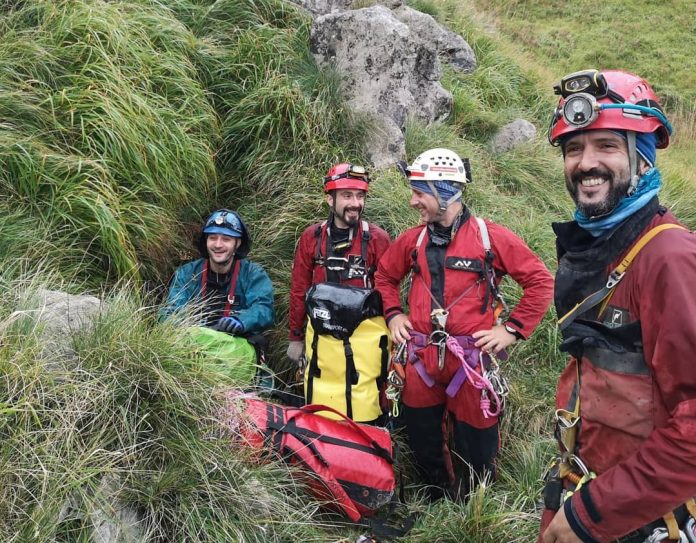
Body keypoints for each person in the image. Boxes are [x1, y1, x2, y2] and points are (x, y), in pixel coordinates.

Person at [540, 69, 696, 543]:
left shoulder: (670, 260)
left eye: (606, 146)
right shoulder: (597, 245)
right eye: (574, 149)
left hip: (638, 514)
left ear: (642, 159)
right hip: (585, 483)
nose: (586, 163)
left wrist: (593, 513)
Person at [374, 148, 553, 500]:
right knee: (422, 433)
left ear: (445, 192)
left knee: (478, 441)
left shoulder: (490, 239)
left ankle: (474, 502)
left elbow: (540, 281)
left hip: (471, 363)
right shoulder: (413, 241)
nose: (413, 202)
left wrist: (511, 329)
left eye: (420, 193)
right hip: (422, 358)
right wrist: (394, 314)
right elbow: (384, 276)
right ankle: (436, 494)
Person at [287, 163, 391, 421]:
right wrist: (295, 337)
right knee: (323, 402)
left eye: (360, 196)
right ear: (329, 199)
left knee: (363, 403)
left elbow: (388, 291)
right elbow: (299, 288)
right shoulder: (312, 237)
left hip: (365, 342)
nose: (355, 203)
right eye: (347, 196)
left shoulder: (377, 239)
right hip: (321, 339)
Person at [162, 208, 274, 337]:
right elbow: (169, 312)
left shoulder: (253, 274)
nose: (218, 245)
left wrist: (241, 321)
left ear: (237, 243)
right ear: (206, 241)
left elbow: (264, 309)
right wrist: (190, 329)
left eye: (226, 239)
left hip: (236, 343)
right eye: (212, 238)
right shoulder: (187, 273)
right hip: (194, 342)